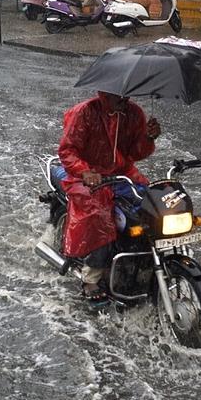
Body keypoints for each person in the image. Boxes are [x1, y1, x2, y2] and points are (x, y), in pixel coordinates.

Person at [57, 91, 160, 301]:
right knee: (100, 215)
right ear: (105, 93)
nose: (124, 101)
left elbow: (135, 153)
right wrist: (84, 171)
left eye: (126, 97)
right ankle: (91, 277)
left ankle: (150, 261)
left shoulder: (134, 113)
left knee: (153, 206)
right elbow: (67, 150)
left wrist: (148, 138)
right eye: (118, 97)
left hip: (122, 174)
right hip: (85, 177)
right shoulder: (85, 112)